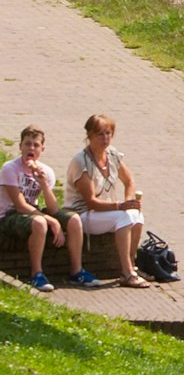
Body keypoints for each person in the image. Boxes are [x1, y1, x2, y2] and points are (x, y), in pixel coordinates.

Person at [0, 126, 98, 292]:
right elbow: (20, 205)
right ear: (20, 146)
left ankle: (77, 271)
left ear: (42, 149)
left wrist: (44, 184)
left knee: (74, 219)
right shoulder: (10, 168)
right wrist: (51, 221)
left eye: (36, 145)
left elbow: (53, 208)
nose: (31, 148)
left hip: (31, 211)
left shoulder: (46, 171)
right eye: (27, 144)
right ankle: (36, 274)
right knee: (40, 223)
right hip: (8, 215)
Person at [61, 114, 149, 288]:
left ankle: (131, 264)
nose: (105, 138)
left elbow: (129, 181)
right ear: (90, 136)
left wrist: (129, 201)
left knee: (136, 216)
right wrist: (120, 206)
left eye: (108, 133)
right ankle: (126, 272)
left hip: (107, 212)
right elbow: (91, 202)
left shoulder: (112, 154)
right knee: (123, 218)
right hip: (83, 215)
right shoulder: (81, 161)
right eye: (100, 134)